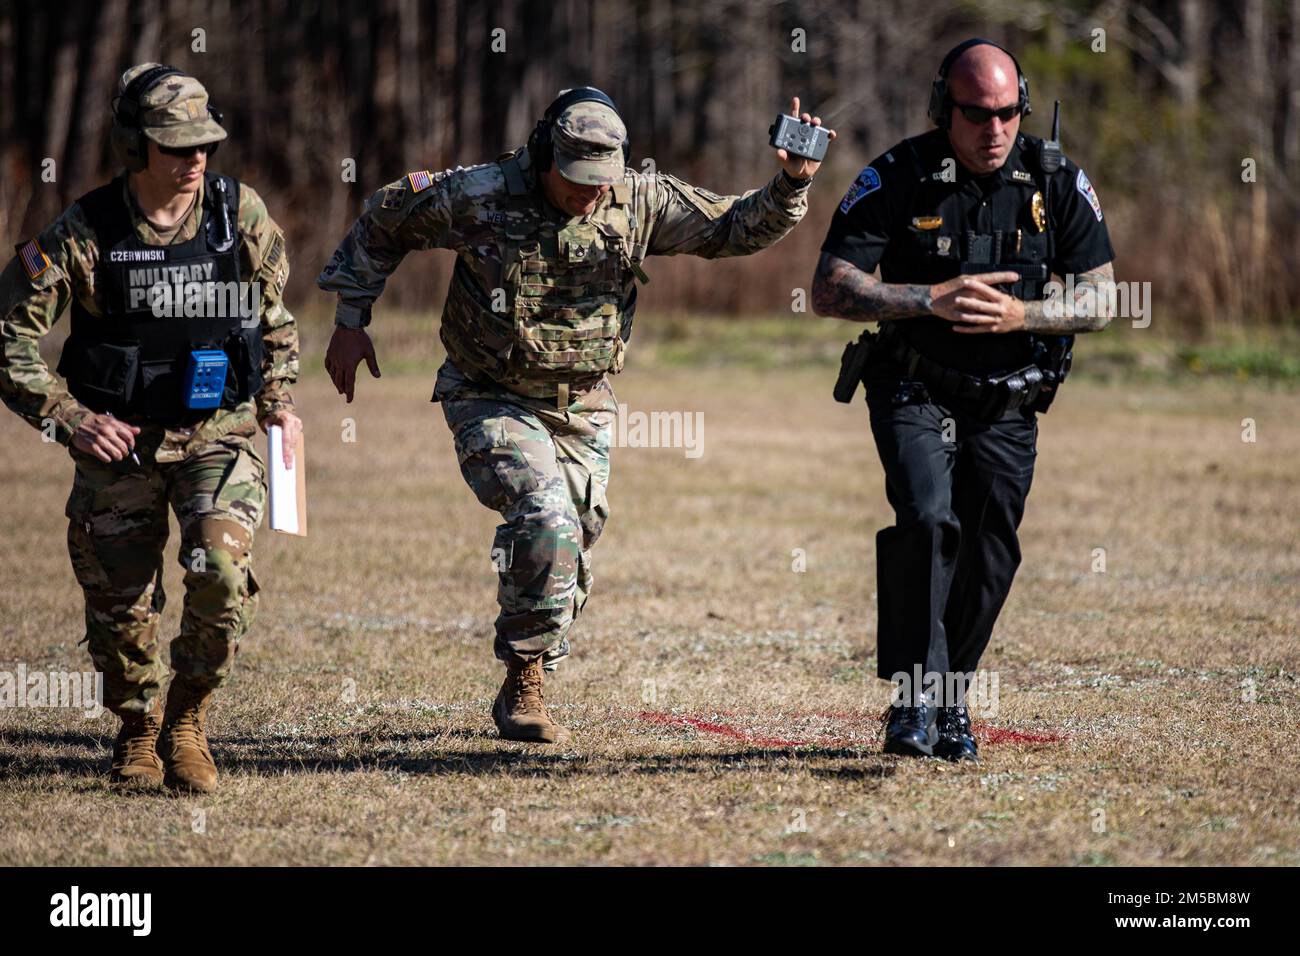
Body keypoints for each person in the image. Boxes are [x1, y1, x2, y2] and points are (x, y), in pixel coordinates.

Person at [319, 87, 833, 743]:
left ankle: (526, 666)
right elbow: (384, 220)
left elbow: (733, 228)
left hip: (584, 404)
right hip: (489, 391)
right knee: (547, 519)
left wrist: (791, 182)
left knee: (571, 545)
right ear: (544, 156)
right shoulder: (479, 193)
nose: (588, 195)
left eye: (600, 182)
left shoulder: (638, 200)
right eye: (575, 181)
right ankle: (526, 684)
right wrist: (350, 320)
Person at [0, 63, 302, 791]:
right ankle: (137, 730)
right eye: (177, 147)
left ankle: (187, 720)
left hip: (218, 434)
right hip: (122, 445)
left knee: (220, 568)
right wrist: (69, 418)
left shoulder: (240, 215)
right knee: (120, 605)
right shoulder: (88, 230)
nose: (195, 160)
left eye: (205, 146)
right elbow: (8, 335)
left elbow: (275, 322)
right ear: (135, 147)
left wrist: (278, 403)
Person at [812, 39, 1115, 761]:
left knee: (990, 551)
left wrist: (1026, 318)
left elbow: (1104, 295)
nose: (994, 129)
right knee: (926, 519)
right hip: (913, 381)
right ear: (944, 108)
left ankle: (951, 701)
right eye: (977, 114)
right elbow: (830, 287)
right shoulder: (899, 173)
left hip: (1009, 397)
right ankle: (915, 702)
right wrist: (925, 299)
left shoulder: (1054, 177)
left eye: (1008, 113)